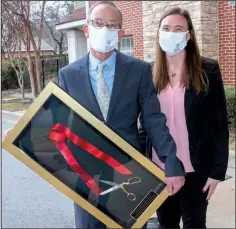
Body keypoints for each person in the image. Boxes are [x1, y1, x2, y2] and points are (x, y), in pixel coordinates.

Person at [57, 2, 185, 228]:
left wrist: (171, 164)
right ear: (87, 29)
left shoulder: (139, 70)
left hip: (130, 175)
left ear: (120, 32)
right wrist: (27, 129)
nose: (104, 29)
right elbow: (60, 122)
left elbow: (154, 121)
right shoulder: (68, 75)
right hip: (87, 179)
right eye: (98, 23)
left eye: (112, 24)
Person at [139, 7, 229, 228]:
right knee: (166, 223)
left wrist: (217, 172)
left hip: (197, 167)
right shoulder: (148, 73)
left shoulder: (208, 70)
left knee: (195, 224)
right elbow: (145, 126)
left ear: (188, 35)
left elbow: (220, 125)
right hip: (160, 168)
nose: (172, 33)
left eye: (178, 29)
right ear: (159, 33)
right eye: (166, 28)